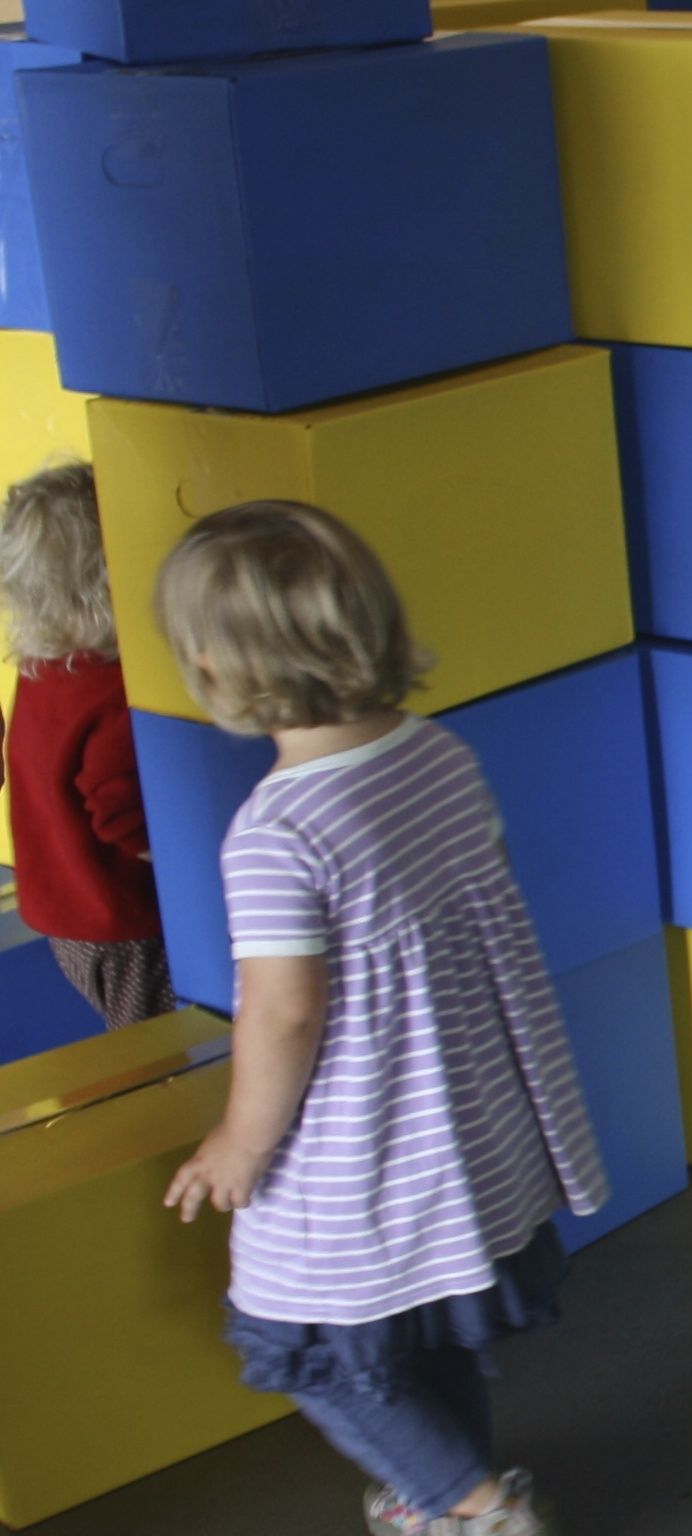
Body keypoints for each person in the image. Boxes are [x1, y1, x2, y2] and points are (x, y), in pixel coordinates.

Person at [156, 501, 607, 1535]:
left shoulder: (276, 832)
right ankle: (433, 1491)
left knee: (313, 1348)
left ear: (214, 667)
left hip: (361, 1157)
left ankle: (472, 1507)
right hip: (465, 1134)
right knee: (427, 1334)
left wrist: (238, 1140)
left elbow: (283, 1014)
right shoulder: (438, 756)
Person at [0, 460, 175, 1030]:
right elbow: (122, 816)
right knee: (158, 1052)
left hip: (62, 918)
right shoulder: (115, 693)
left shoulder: (41, 670)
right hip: (125, 925)